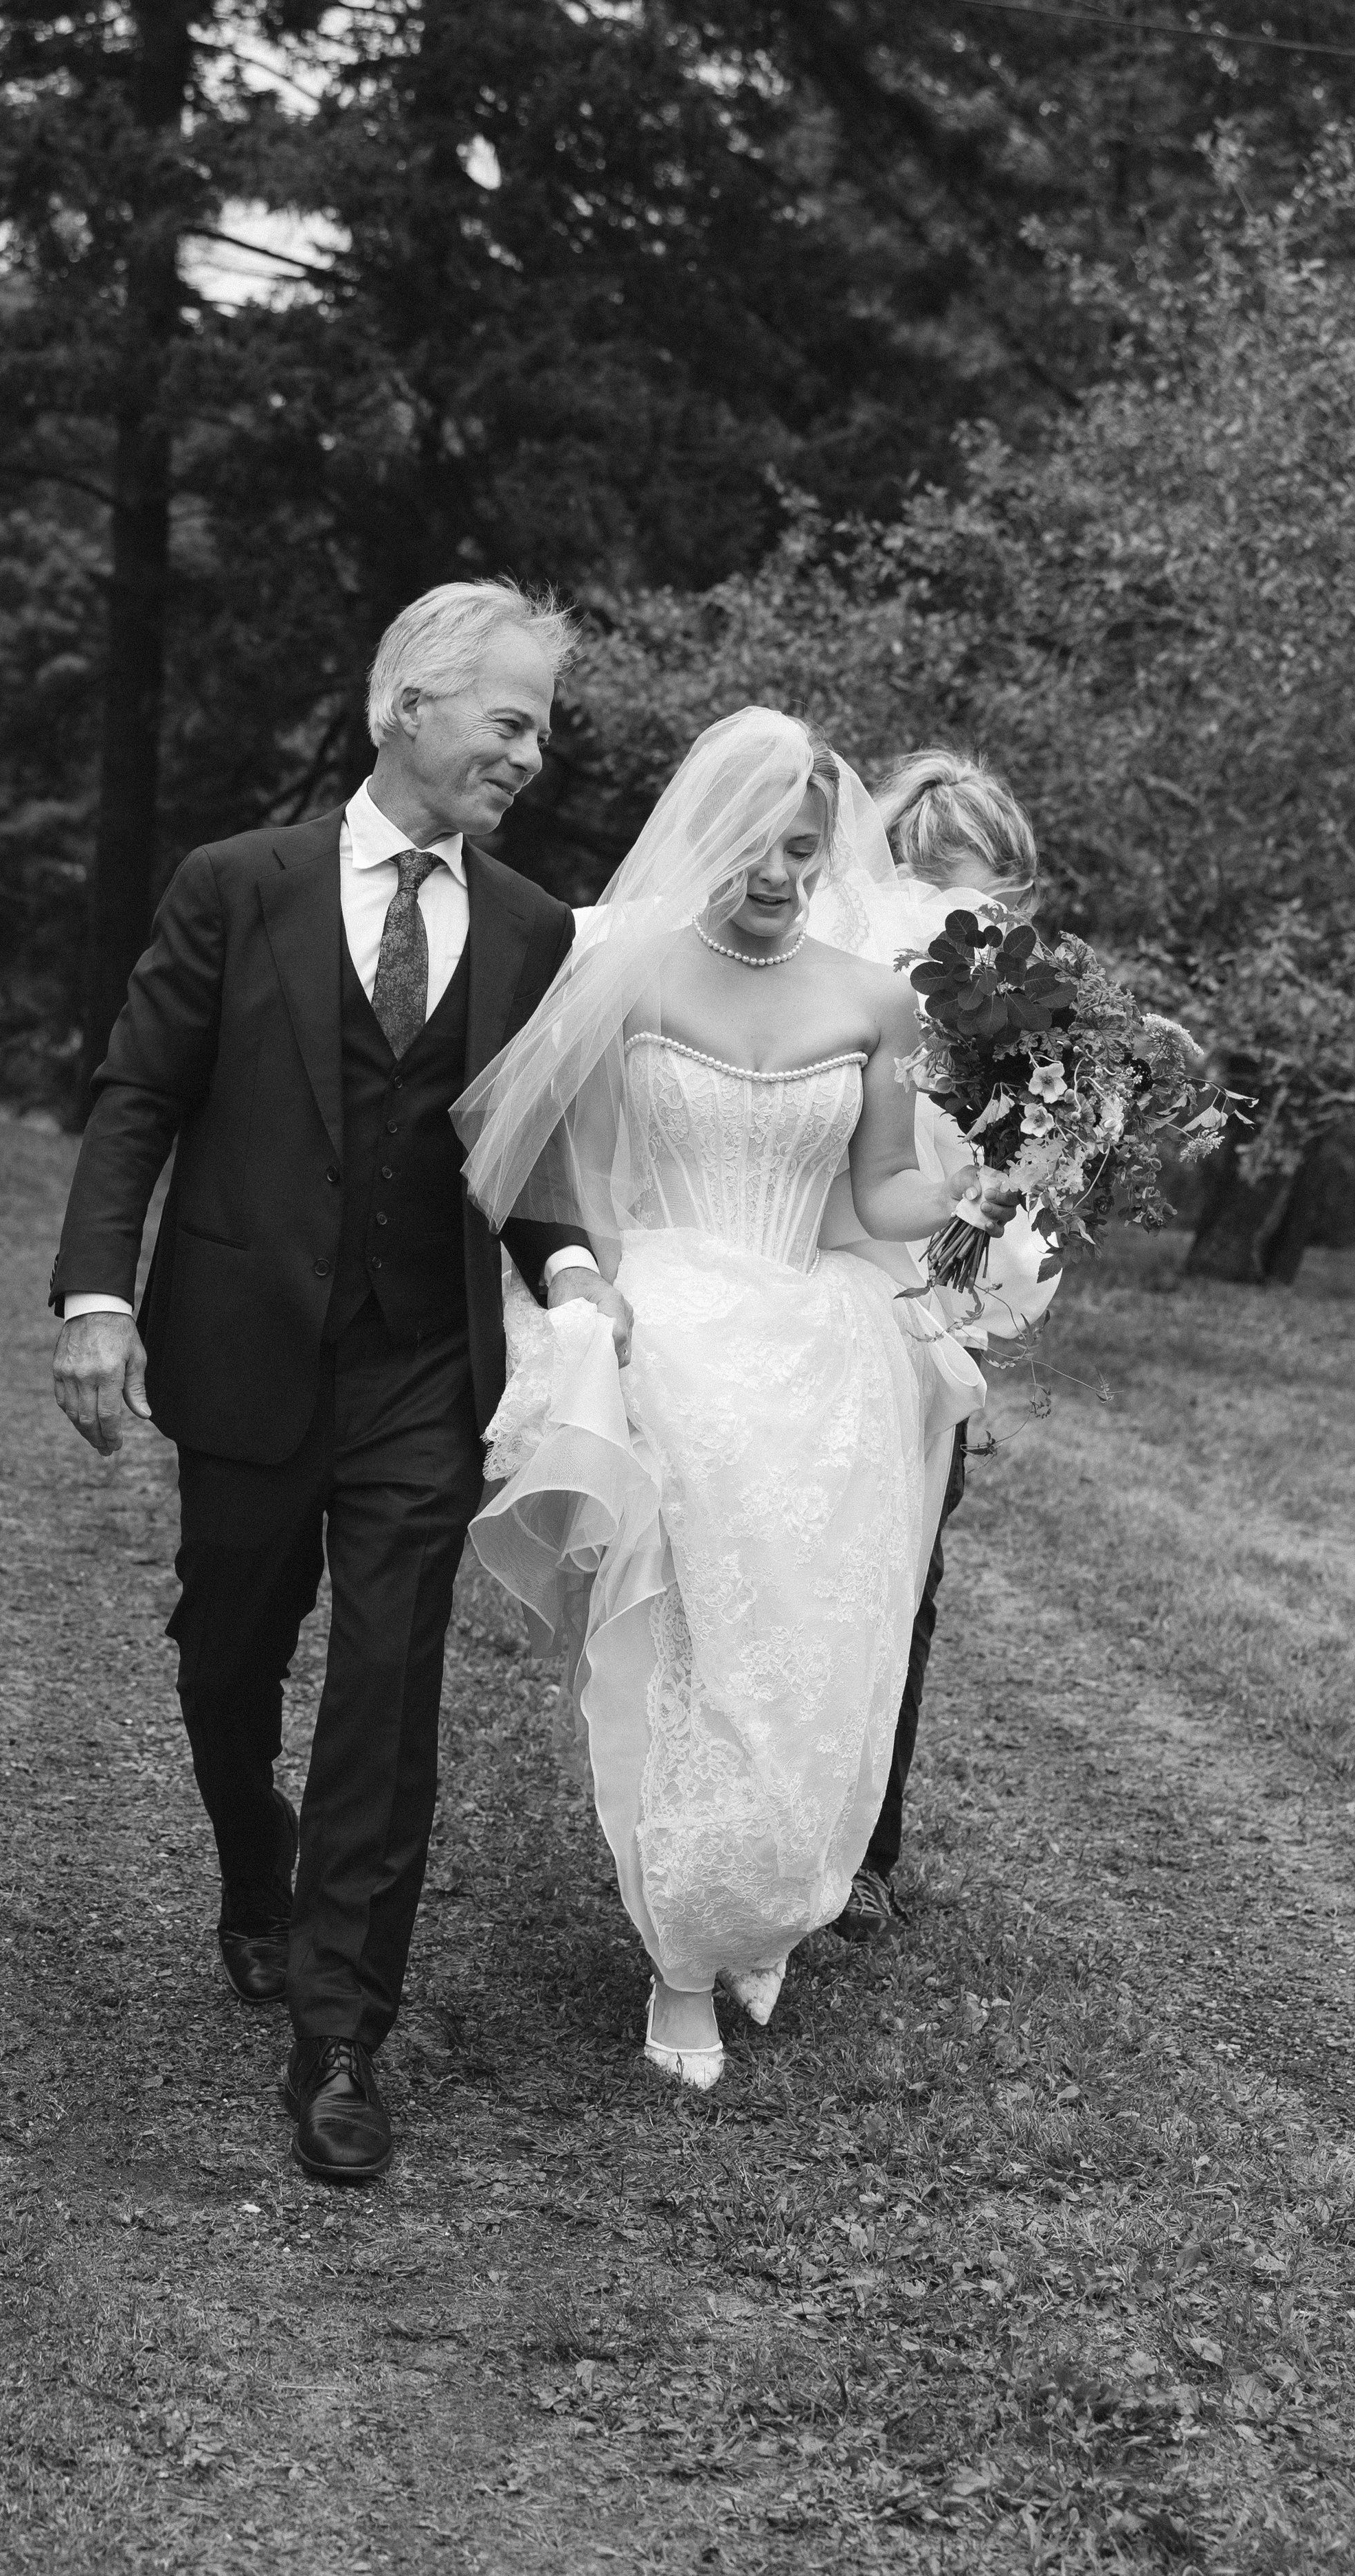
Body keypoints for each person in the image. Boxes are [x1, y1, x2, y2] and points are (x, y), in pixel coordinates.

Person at [48, 579, 629, 2183]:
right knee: (228, 1651)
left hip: (421, 1370)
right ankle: (253, 1866)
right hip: (242, 1351)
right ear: (406, 708)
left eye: (539, 730)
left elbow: (519, 1153)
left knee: (387, 1686)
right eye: (508, 720)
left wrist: (570, 1268)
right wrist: (97, 1295)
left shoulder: (531, 927)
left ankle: (340, 2033)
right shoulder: (238, 884)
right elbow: (135, 1098)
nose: (529, 754)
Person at [453, 709, 1014, 2090]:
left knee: (802, 1652)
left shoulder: (873, 1003)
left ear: (833, 855)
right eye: (757, 846)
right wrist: (584, 1289)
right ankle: (679, 1958)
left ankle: (758, 1892)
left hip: (819, 1348)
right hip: (671, 1330)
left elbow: (877, 1188)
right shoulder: (626, 978)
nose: (777, 874)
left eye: (804, 851)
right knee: (685, 1651)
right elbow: (543, 1168)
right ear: (711, 837)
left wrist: (985, 1180)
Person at [820, 748, 1056, 1943]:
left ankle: (870, 1844)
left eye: (1003, 910)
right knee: (821, 1575)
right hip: (825, 1304)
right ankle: (797, 1826)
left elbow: (1008, 1180)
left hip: (935, 1317)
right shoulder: (841, 978)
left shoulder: (1012, 1023)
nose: (985, 929)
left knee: (910, 1580)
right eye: (971, 901)